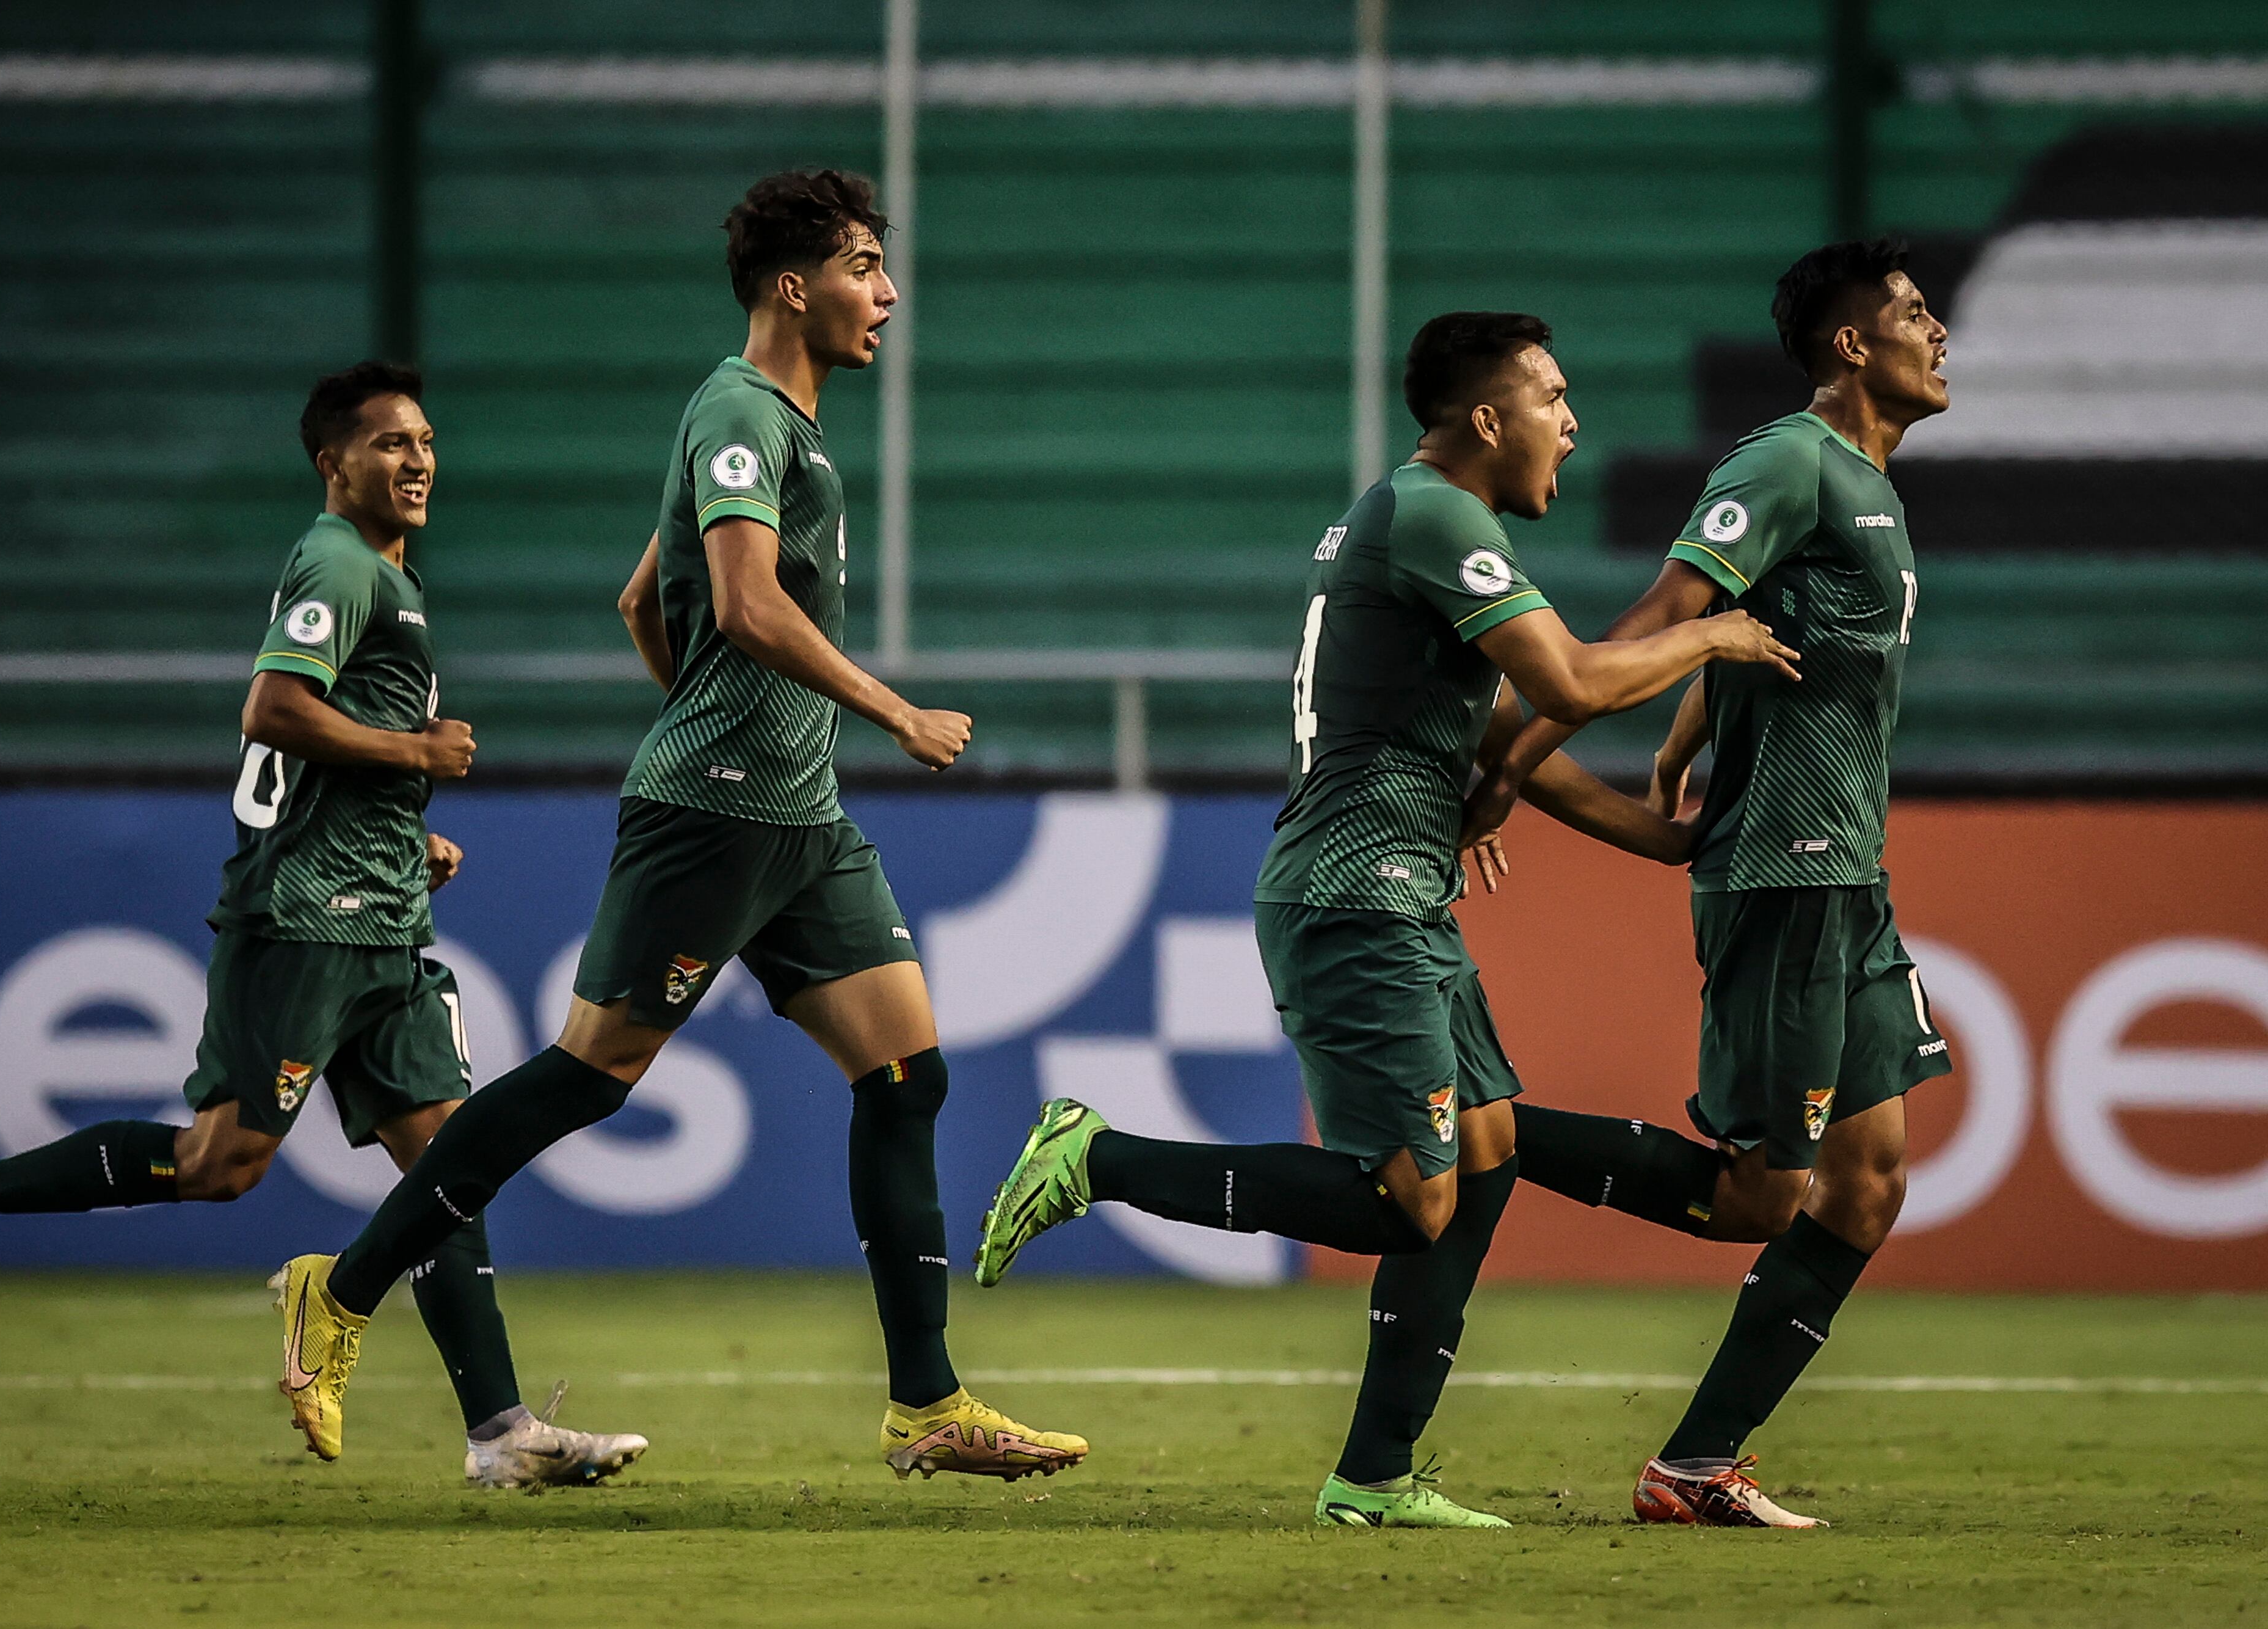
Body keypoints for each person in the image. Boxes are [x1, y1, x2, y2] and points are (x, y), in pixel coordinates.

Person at [271, 171, 1086, 1483]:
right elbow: (745, 605)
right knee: (589, 1076)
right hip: (716, 811)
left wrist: (725, 710)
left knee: (906, 1072)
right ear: (793, 288)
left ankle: (926, 1403)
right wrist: (887, 711)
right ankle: (345, 1288)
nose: (887, 293)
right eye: (863, 267)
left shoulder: (781, 426)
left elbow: (643, 597)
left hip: (799, 817)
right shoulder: (741, 411)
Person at [973, 312, 1798, 1528]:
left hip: (1400, 893)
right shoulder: (1433, 516)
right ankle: (1096, 1157)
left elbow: (1501, 731)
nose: (1572, 424)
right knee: (1408, 1198)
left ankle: (1372, 1474)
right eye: (1553, 398)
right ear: (1487, 418)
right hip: (1352, 896)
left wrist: (1658, 836)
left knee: (1486, 1146)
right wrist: (1709, 630)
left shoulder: (1415, 523)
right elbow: (1570, 681)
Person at [0, 362, 647, 1489]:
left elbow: (314, 749)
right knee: (222, 1163)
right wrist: (416, 754)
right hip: (304, 921)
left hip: (379, 916)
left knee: (447, 1167)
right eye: (390, 444)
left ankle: (501, 1434)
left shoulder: (386, 575)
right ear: (334, 463)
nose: (418, 460)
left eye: (426, 441)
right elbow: (274, 707)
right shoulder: (338, 563)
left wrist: (405, 827)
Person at [1463, 238, 1955, 1528]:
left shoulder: (1868, 484)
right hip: (1784, 869)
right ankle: (1480, 1129)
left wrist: (1688, 733)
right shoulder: (1787, 462)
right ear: (1851, 344)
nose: (1937, 332)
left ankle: (1694, 1465)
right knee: (1758, 1195)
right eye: (1913, 313)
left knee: (1869, 1180)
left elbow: (1765, 629)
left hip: (1848, 872)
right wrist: (1511, 761)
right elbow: (1664, 611)